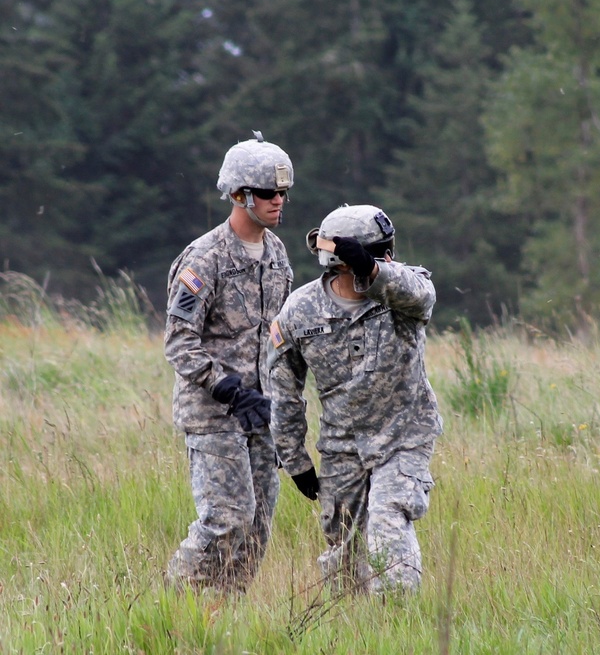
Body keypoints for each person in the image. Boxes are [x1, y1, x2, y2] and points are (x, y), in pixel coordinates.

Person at [266, 204, 442, 594]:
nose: (389, 258)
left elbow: (422, 296)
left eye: (386, 251)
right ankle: (355, 628)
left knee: (387, 523)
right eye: (380, 252)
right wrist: (295, 461)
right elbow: (283, 391)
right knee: (344, 552)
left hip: (404, 438)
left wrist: (375, 270)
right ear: (339, 261)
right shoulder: (300, 310)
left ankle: (398, 619)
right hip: (342, 448)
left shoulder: (402, 290)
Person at [164, 131, 294, 593]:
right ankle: (175, 601)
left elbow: (278, 336)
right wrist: (228, 389)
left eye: (282, 192)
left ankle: (223, 616)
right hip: (214, 414)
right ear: (240, 195)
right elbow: (179, 341)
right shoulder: (205, 258)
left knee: (256, 527)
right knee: (227, 519)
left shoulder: (277, 255)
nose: (278, 200)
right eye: (267, 193)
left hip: (261, 416)